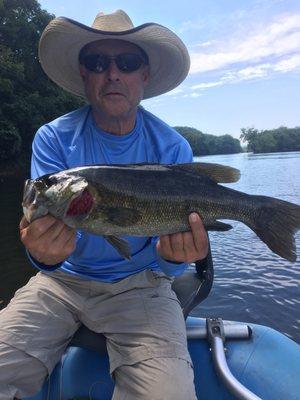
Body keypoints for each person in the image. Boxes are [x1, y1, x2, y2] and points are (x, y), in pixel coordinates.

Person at [0, 10, 208, 400]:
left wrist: (176, 259)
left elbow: (168, 262)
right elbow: (46, 247)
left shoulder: (173, 147)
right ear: (84, 74)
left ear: (144, 75)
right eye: (98, 62)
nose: (113, 73)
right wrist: (43, 257)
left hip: (142, 285)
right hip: (60, 283)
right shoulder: (53, 139)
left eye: (127, 63)